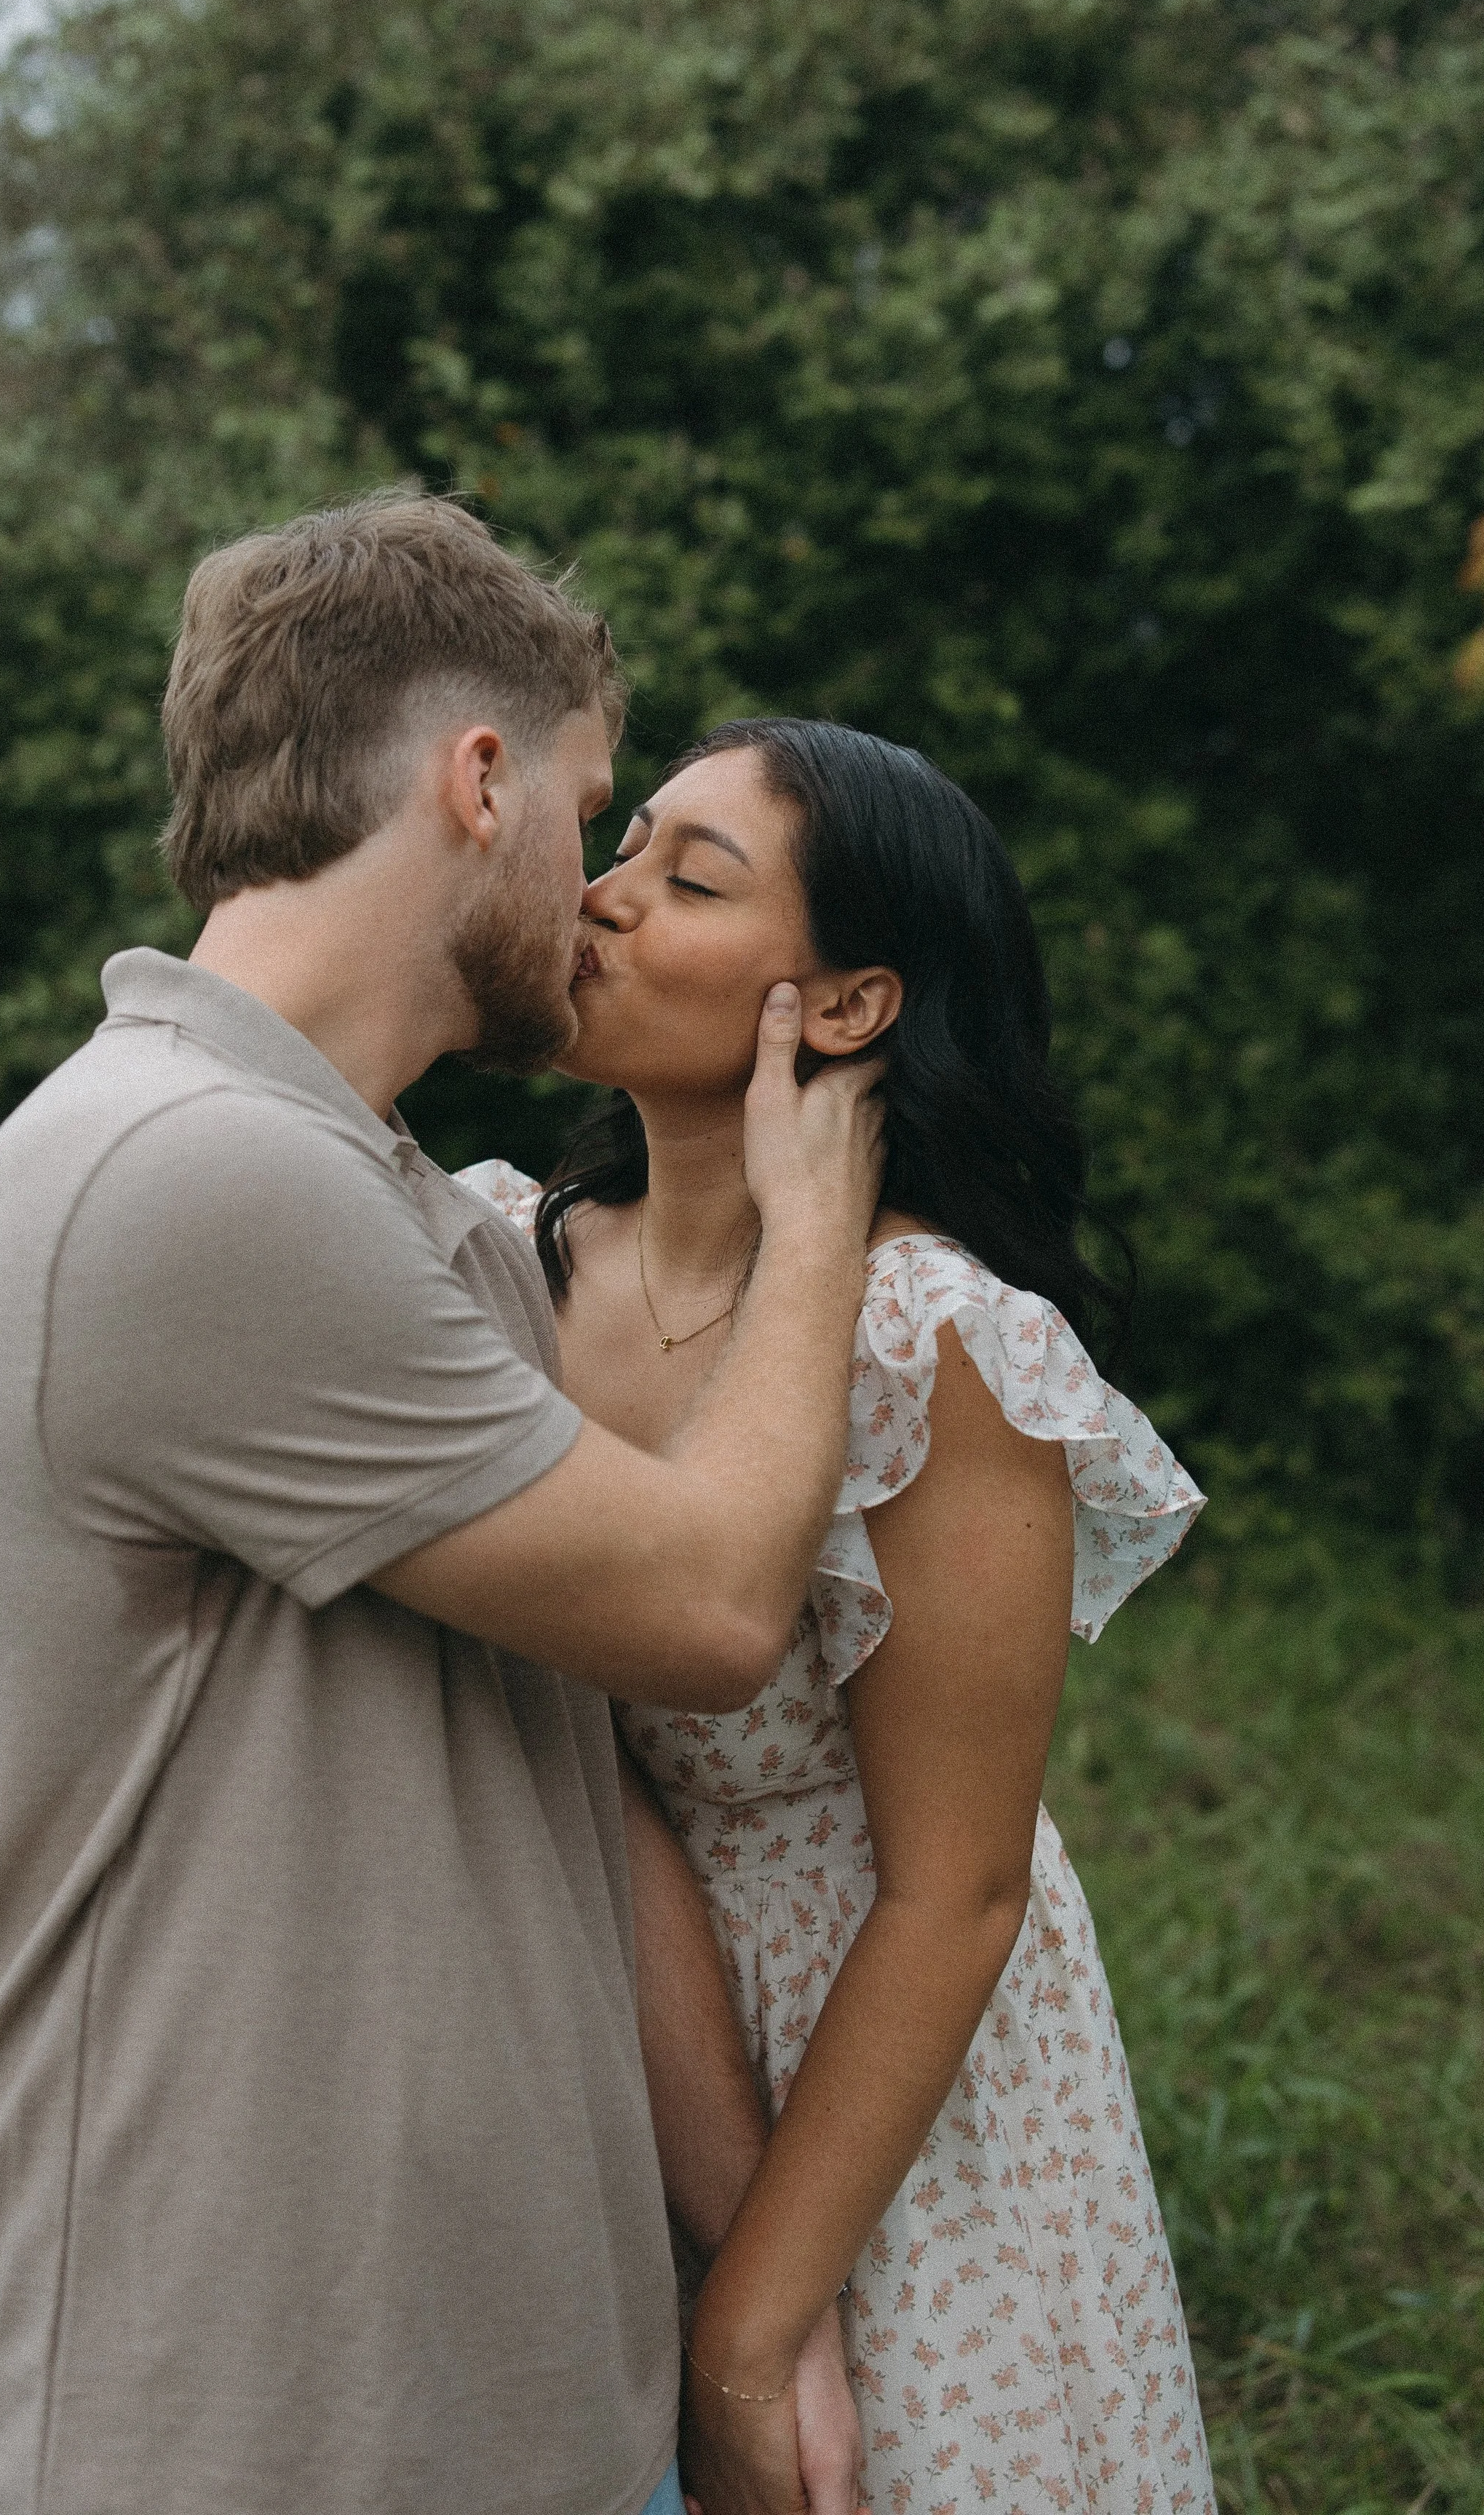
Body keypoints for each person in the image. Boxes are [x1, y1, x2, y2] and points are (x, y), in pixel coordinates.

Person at [0, 496, 885, 2515]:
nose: (596, 887)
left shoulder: (409, 1208)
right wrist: (816, 1228)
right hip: (215, 2422)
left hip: (486, 2410)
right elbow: (708, 1609)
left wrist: (756, 2322)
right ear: (479, 776)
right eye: (592, 809)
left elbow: (570, 1799)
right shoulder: (181, 1171)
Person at [463, 718, 1214, 2515]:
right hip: (576, 2012)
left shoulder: (932, 1343)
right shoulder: (501, 1260)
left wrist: (750, 2330)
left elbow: (953, 1887)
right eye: (621, 845)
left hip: (886, 2075)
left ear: (852, 1007)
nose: (600, 898)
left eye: (685, 878)